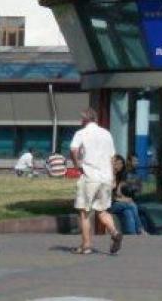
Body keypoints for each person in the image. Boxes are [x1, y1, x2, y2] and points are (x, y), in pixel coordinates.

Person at [70, 108, 121, 255]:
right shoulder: (107, 134)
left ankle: (86, 246)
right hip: (106, 177)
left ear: (85, 120)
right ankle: (115, 232)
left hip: (89, 176)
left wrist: (77, 165)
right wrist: (113, 177)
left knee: (85, 212)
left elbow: (73, 150)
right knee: (102, 210)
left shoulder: (81, 133)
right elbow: (112, 157)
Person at [108, 155, 145, 236]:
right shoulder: (108, 176)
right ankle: (140, 229)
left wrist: (125, 199)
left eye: (121, 164)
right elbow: (109, 196)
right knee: (131, 205)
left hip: (116, 203)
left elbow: (119, 194)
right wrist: (123, 200)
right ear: (112, 164)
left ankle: (132, 234)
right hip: (107, 205)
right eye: (117, 163)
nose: (119, 166)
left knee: (128, 212)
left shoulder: (119, 176)